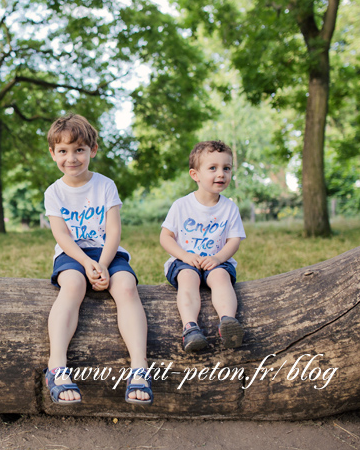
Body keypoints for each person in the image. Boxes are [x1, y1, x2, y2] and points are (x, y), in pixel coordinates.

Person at [43, 113, 152, 405]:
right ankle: (57, 367)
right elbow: (62, 236)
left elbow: (114, 230)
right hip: (72, 254)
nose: (72, 158)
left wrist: (103, 263)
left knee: (127, 286)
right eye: (63, 151)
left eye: (79, 150)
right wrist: (86, 263)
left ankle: (139, 368)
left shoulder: (104, 185)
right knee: (73, 286)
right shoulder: (54, 192)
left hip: (107, 251)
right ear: (53, 154)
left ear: (93, 150)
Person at [159, 140, 246, 353]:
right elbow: (166, 237)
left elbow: (233, 240)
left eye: (226, 168)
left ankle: (228, 322)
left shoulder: (229, 208)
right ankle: (190, 327)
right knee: (189, 278)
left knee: (221, 277)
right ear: (195, 174)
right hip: (185, 263)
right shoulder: (182, 205)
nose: (221, 174)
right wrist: (184, 255)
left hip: (216, 262)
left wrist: (218, 258)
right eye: (213, 168)